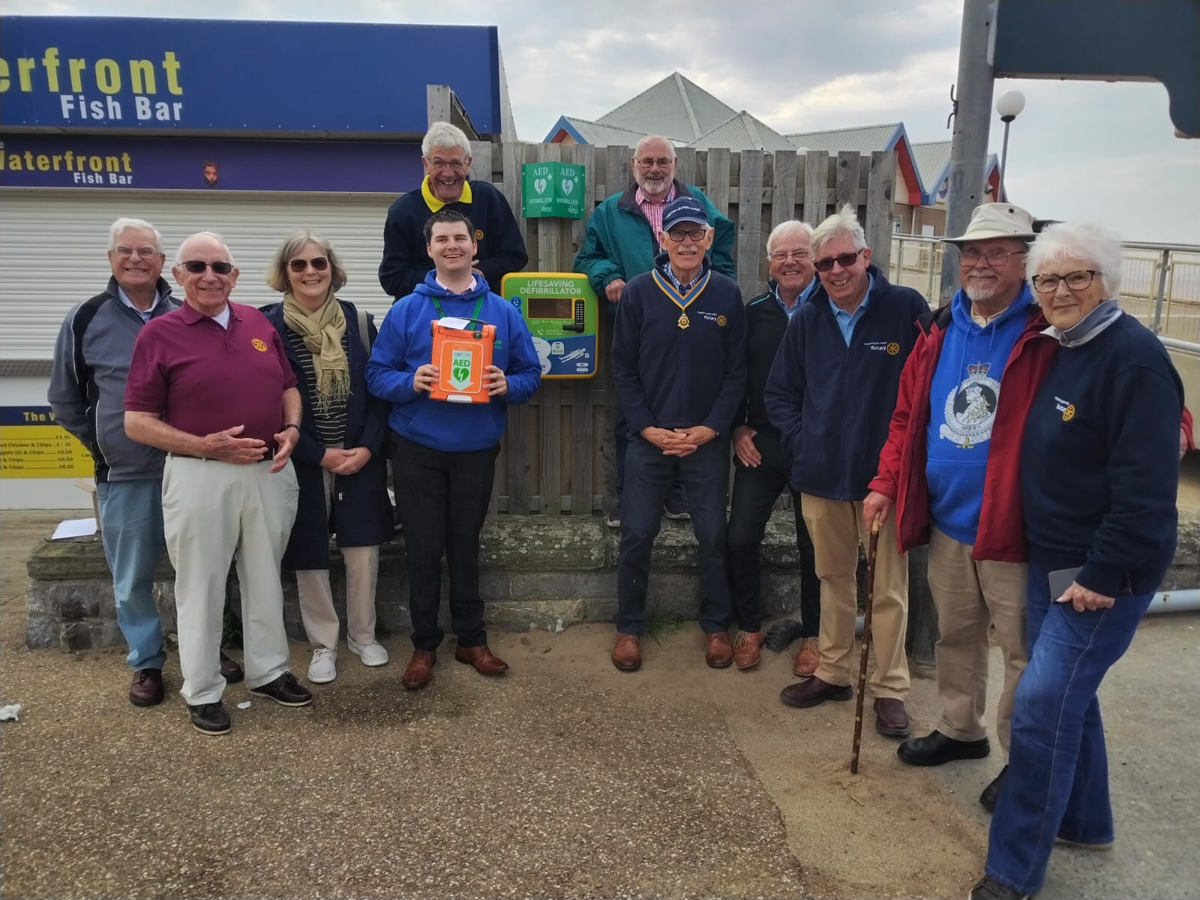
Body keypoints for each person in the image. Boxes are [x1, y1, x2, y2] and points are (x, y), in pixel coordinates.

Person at [968, 222, 1184, 900]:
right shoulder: (1062, 347)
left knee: (1038, 707)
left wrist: (1100, 574)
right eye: (1048, 280)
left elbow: (1147, 493)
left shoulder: (1136, 360)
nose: (1061, 290)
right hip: (1053, 560)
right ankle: (1086, 821)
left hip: (1099, 574)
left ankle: (1012, 870)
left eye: (1077, 276)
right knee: (1069, 699)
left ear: (1107, 282)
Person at [864, 203, 1046, 809]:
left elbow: (1123, 384)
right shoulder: (939, 331)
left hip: (1014, 526)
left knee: (1022, 648)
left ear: (1025, 258)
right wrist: (887, 483)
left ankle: (1024, 764)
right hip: (948, 519)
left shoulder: (1049, 330)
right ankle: (960, 728)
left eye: (996, 251)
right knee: (956, 633)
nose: (980, 263)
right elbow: (904, 418)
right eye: (971, 252)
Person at [47, 218, 243, 705]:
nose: (136, 259)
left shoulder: (189, 311)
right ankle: (148, 662)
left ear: (164, 264)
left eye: (146, 252)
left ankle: (206, 648)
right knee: (132, 575)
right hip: (128, 473)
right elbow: (66, 399)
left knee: (201, 569)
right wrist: (104, 442)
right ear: (110, 258)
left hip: (193, 467)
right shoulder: (85, 318)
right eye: (125, 250)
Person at [125, 232, 310, 735]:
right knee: (201, 585)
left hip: (269, 472)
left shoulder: (256, 321)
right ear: (178, 274)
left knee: (265, 575)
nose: (211, 275)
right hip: (200, 475)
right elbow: (137, 421)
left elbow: (289, 385)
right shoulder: (159, 334)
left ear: (236, 275)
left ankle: (268, 670)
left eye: (221, 266)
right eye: (198, 266)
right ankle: (203, 689)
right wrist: (205, 445)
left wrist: (292, 429)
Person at [765, 204, 927, 738]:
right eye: (825, 264)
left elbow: (926, 392)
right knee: (832, 579)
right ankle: (834, 673)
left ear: (866, 256)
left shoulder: (904, 308)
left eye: (845, 260)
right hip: (821, 478)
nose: (836, 271)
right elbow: (780, 393)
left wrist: (900, 466)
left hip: (885, 481)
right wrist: (803, 442)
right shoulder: (809, 318)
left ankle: (889, 689)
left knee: (888, 589)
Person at [367, 209, 541, 690]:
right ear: (429, 249)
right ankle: (424, 645)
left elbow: (531, 375)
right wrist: (411, 380)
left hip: (476, 448)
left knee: (465, 547)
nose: (451, 246)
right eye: (441, 239)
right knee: (423, 549)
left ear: (473, 246)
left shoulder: (503, 311)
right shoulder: (407, 309)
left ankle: (471, 639)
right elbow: (377, 375)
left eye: (460, 237)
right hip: (417, 448)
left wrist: (508, 382)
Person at [609, 196, 747, 672]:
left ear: (709, 239)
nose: (687, 242)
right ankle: (629, 628)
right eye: (678, 234)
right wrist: (647, 428)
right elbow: (623, 369)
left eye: (696, 234)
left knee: (712, 535)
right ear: (662, 240)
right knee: (637, 534)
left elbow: (737, 374)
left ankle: (715, 626)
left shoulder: (728, 294)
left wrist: (710, 429)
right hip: (649, 440)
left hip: (705, 443)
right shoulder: (640, 293)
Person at [574, 134, 737, 527]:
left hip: (693, 324)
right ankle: (629, 497)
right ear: (634, 165)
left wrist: (715, 299)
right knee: (631, 414)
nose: (655, 169)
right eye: (647, 161)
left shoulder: (699, 205)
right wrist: (609, 277)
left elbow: (724, 258)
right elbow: (587, 258)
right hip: (637, 327)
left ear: (675, 165)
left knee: (689, 407)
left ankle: (677, 496)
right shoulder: (612, 211)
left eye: (663, 161)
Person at [261, 230, 394, 685]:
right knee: (309, 553)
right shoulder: (268, 327)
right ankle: (324, 644)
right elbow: (270, 398)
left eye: (318, 263)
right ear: (285, 274)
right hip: (304, 459)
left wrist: (368, 448)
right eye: (298, 265)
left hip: (359, 457)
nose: (310, 272)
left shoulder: (359, 323)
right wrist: (318, 455)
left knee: (363, 550)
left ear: (333, 271)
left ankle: (363, 635)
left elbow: (380, 392)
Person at [726, 220, 822, 672]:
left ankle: (816, 636)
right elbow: (735, 377)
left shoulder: (832, 309)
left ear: (815, 257)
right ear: (769, 262)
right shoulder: (754, 311)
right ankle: (749, 626)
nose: (790, 262)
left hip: (816, 448)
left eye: (799, 253)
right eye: (781, 255)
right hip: (761, 445)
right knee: (740, 537)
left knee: (815, 547)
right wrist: (738, 429)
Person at [378, 121, 527, 301]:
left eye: (455, 163)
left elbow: (516, 256)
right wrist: (443, 276)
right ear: (426, 164)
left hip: (482, 311)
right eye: (439, 163)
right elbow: (392, 279)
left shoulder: (488, 199)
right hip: (426, 314)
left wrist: (478, 273)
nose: (448, 173)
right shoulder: (403, 211)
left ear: (468, 163)